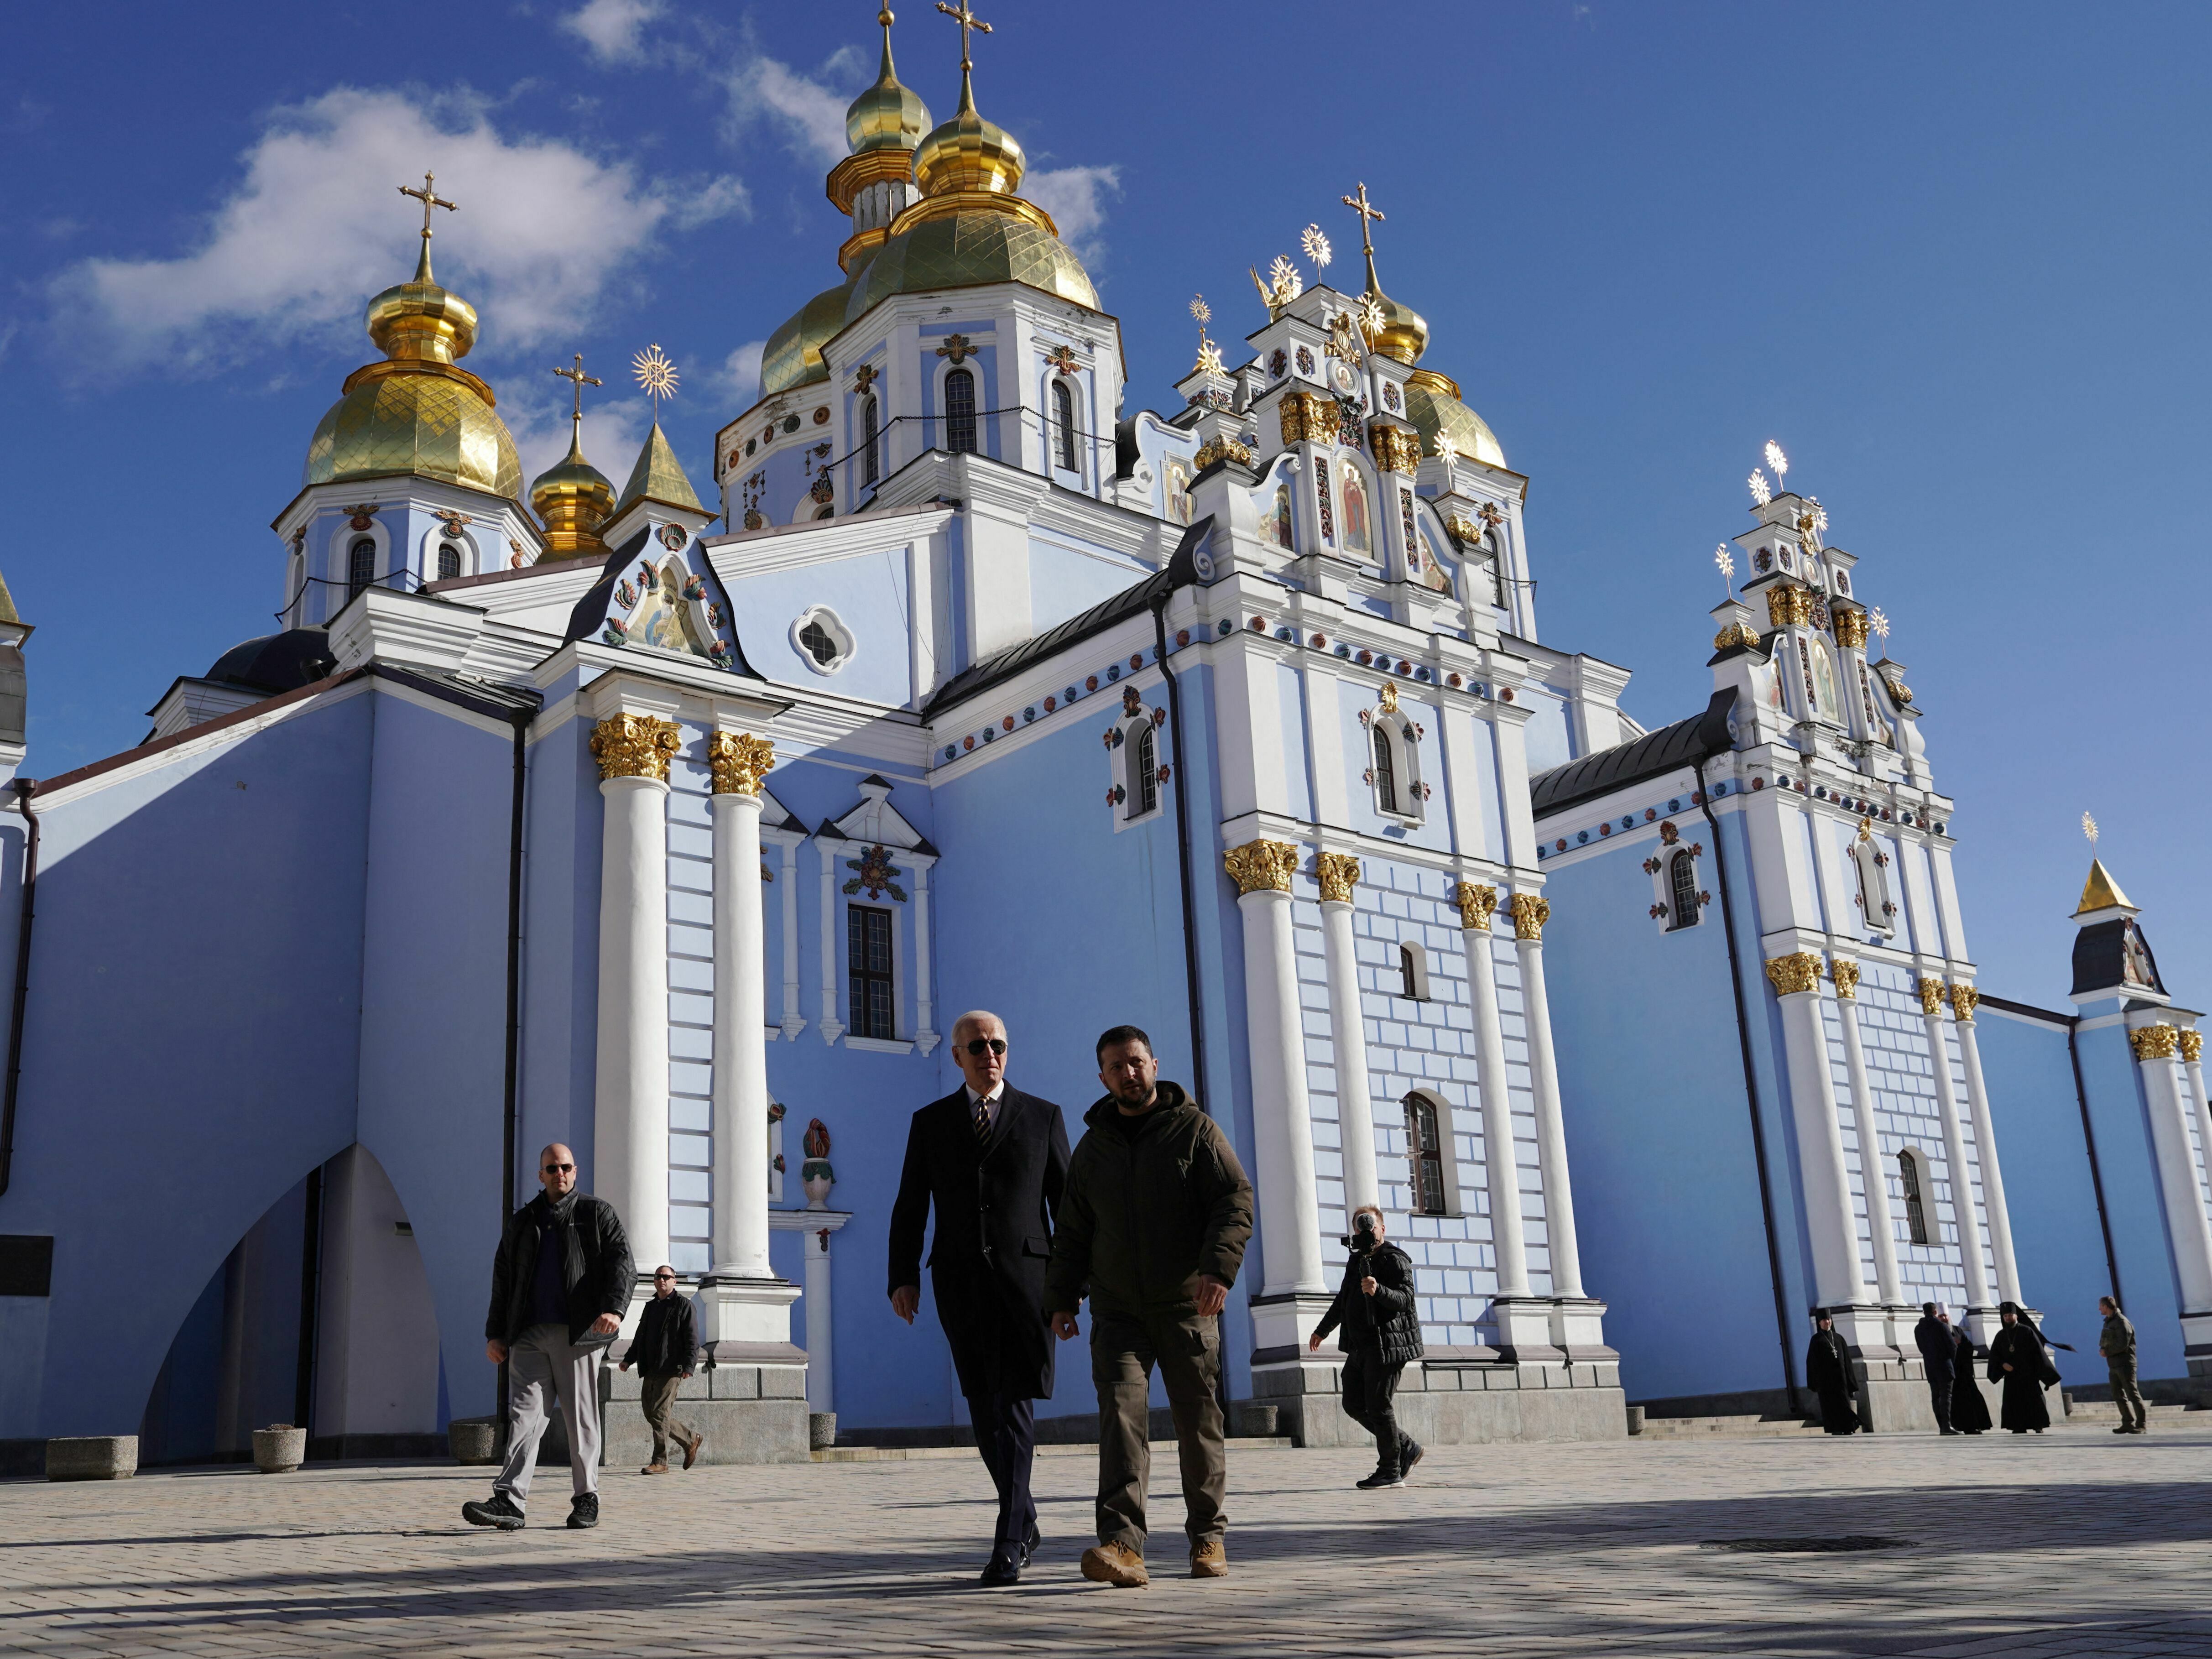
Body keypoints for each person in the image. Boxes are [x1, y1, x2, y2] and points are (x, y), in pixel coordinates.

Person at [1046, 1026, 1253, 1589]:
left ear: (1155, 1065)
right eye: (1116, 1067)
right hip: (1117, 1312)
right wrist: (1063, 1297)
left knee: (1198, 1423)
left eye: (1136, 1063)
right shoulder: (1094, 1148)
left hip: (1186, 1305)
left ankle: (1208, 1537)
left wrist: (1218, 1270)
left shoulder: (1195, 1132)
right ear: (1103, 1077)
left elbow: (1235, 1200)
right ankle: (1123, 1545)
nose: (1128, 1074)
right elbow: (1072, 1230)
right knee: (1120, 1420)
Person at [888, 1010, 1071, 1586]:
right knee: (982, 1408)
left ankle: (1009, 1541)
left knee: (1015, 1404)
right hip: (959, 1282)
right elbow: (911, 1204)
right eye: (977, 1046)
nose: (989, 1054)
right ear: (958, 1057)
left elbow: (1067, 1210)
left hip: (1028, 1285)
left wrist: (1070, 1289)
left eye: (998, 1045)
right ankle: (1027, 1517)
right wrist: (902, 1276)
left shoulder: (1043, 1117)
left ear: (1007, 1053)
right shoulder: (932, 1122)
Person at [465, 1143, 634, 1532]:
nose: (560, 1173)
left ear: (576, 1172)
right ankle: (510, 1499)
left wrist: (614, 1309)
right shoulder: (524, 1221)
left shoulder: (596, 1214)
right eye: (552, 1168)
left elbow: (623, 1264)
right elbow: (503, 1278)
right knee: (524, 1417)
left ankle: (586, 1498)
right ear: (540, 1175)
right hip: (527, 1335)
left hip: (578, 1333)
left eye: (566, 1167)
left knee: (581, 1419)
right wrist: (496, 1333)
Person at [1309, 1205, 1424, 1487]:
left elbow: (1406, 1299)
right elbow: (1343, 1299)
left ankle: (1390, 1471)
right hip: (1361, 1345)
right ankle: (1405, 1446)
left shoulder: (1395, 1259)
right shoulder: (1356, 1261)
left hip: (1389, 1345)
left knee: (1378, 1405)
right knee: (1353, 1402)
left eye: (1370, 1226)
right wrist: (1322, 1330)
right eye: (1359, 1228)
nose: (1365, 1232)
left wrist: (1378, 1290)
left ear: (1382, 1229)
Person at [618, 1266, 702, 1474]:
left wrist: (689, 1366)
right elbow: (640, 1337)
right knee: (651, 1413)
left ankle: (660, 1461)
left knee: (660, 1413)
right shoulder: (651, 1306)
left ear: (675, 1281)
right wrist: (629, 1360)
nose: (662, 1280)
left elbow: (692, 1339)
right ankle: (690, 1439)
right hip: (651, 1367)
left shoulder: (684, 1305)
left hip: (672, 1368)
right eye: (658, 1277)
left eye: (666, 1277)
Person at [1986, 1300, 2051, 1434]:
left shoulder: (2027, 1331)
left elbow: (2038, 1353)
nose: (2008, 1318)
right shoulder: (2001, 1336)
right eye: (2006, 1316)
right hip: (2012, 1376)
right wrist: (2003, 1365)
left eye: (2010, 1315)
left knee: (2034, 1400)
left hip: (2028, 1374)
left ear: (2016, 1316)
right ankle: (2017, 1426)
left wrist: (2044, 1373)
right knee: (2014, 1403)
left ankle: (2038, 1425)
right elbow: (1995, 1356)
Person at [1805, 1311, 1860, 1435]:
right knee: (1831, 1406)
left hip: (1842, 1380)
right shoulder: (1816, 1340)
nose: (1827, 1322)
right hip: (1826, 1382)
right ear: (1819, 1323)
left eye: (1829, 1319)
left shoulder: (1839, 1338)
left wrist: (1851, 1381)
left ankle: (1849, 1427)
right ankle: (1836, 1429)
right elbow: (1812, 1362)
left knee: (1844, 1403)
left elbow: (1847, 1361)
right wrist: (1817, 1382)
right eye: (1824, 1320)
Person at [2099, 1295, 2146, 1434]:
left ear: (2106, 1307)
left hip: (2125, 1364)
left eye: (2101, 1306)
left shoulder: (2122, 1322)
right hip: (2113, 1364)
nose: (2099, 1308)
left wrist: (2106, 1352)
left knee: (2132, 1394)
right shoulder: (2109, 1322)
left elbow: (2123, 1344)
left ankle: (2141, 1425)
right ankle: (2127, 1422)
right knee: (2117, 1394)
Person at [1913, 1303, 1957, 1435]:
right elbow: (1953, 1347)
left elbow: (1921, 1348)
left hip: (1930, 1366)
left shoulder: (1918, 1329)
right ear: (1935, 1312)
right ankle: (1947, 1426)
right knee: (1946, 1396)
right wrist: (1951, 1361)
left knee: (1936, 1397)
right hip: (1945, 1365)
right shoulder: (1942, 1326)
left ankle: (1942, 1427)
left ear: (1924, 1312)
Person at [1949, 1320, 1992, 1434]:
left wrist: (1960, 1344)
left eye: (1945, 1316)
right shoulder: (1937, 1331)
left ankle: (1974, 1426)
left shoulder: (1957, 1330)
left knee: (1972, 1400)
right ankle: (1957, 1426)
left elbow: (1969, 1347)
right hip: (1950, 1374)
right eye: (1941, 1316)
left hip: (1964, 1373)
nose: (1944, 1318)